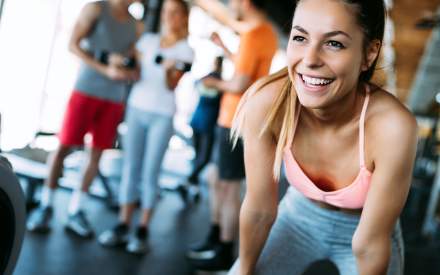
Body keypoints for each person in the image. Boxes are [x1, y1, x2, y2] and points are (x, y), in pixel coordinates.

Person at [228, 0, 418, 274]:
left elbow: (369, 243)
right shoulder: (266, 102)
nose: (310, 59)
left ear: (369, 53)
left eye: (334, 43)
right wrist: (244, 269)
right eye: (300, 37)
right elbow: (259, 210)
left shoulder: (393, 127)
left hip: (365, 228)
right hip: (297, 217)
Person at [26, 0, 142, 237]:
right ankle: (46, 205)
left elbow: (132, 62)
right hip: (85, 89)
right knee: (64, 148)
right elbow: (72, 45)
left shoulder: (136, 25)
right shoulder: (96, 8)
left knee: (97, 153)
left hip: (114, 97)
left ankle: (76, 210)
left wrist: (128, 71)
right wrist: (105, 67)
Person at [186, 0, 278, 271]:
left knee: (228, 187)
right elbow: (246, 70)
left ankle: (225, 251)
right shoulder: (264, 33)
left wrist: (212, 82)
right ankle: (215, 238)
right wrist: (225, 48)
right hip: (234, 119)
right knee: (218, 180)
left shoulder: (252, 34)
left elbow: (239, 82)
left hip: (236, 120)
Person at [98, 0, 194, 254]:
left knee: (150, 172)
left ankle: (142, 229)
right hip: (136, 108)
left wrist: (168, 69)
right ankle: (123, 222)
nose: (169, 17)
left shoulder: (186, 50)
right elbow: (135, 69)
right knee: (130, 167)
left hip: (162, 115)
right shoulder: (148, 41)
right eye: (166, 12)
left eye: (175, 13)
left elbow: (171, 85)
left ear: (183, 17)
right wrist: (121, 63)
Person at [178, 56, 224, 202]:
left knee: (199, 157)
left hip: (198, 120)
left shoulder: (206, 79)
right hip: (206, 122)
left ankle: (192, 186)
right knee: (203, 158)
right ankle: (188, 181)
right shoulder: (218, 82)